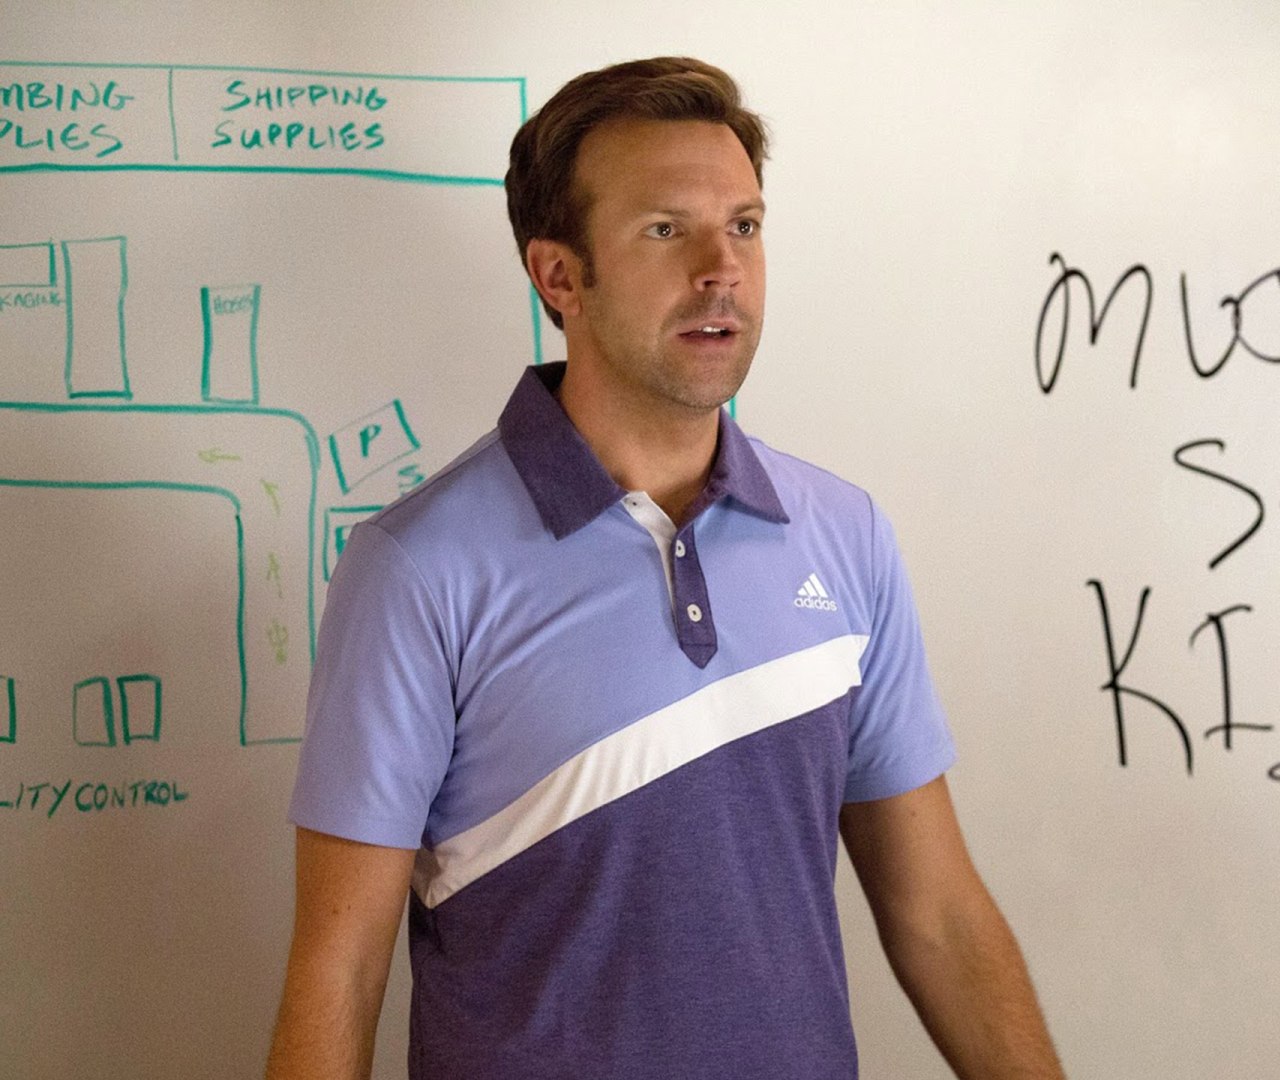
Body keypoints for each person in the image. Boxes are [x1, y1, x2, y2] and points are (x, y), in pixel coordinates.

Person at [264, 57, 1065, 1080]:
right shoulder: (419, 568)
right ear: (560, 277)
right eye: (665, 230)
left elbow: (940, 916)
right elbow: (341, 972)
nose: (721, 268)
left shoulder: (844, 534)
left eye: (745, 225)